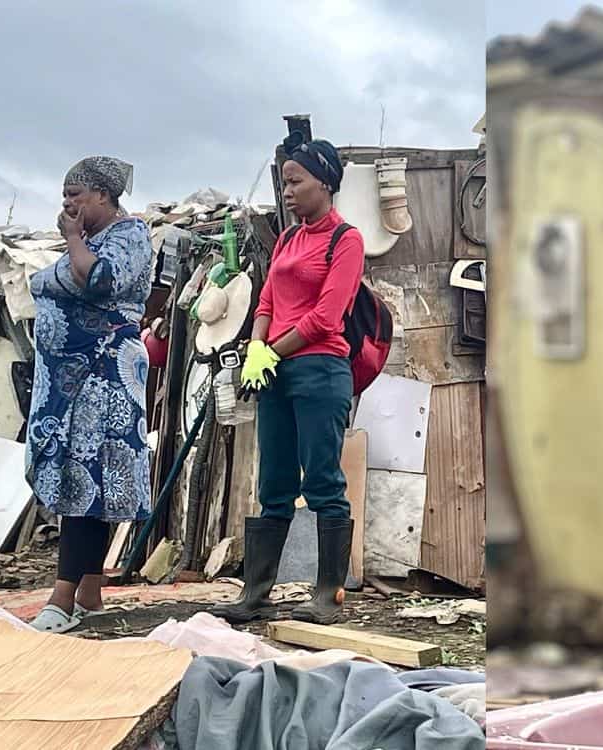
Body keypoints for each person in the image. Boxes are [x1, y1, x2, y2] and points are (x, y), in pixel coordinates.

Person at [211, 136, 363, 625]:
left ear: (326, 182)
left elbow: (325, 316)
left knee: (321, 479)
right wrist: (257, 347)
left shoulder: (346, 240)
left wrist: (272, 351)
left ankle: (329, 596)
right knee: (274, 480)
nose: (288, 190)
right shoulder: (287, 239)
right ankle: (255, 594)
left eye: (296, 181)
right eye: (284, 182)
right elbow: (267, 302)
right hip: (274, 369)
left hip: (319, 370)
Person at [26, 156, 153, 633]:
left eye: (76, 193)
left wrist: (74, 241)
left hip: (106, 374)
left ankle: (61, 598)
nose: (67, 202)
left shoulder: (130, 235)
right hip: (75, 382)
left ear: (103, 196)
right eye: (64, 194)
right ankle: (89, 594)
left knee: (89, 474)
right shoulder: (93, 240)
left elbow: (99, 280)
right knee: (85, 475)